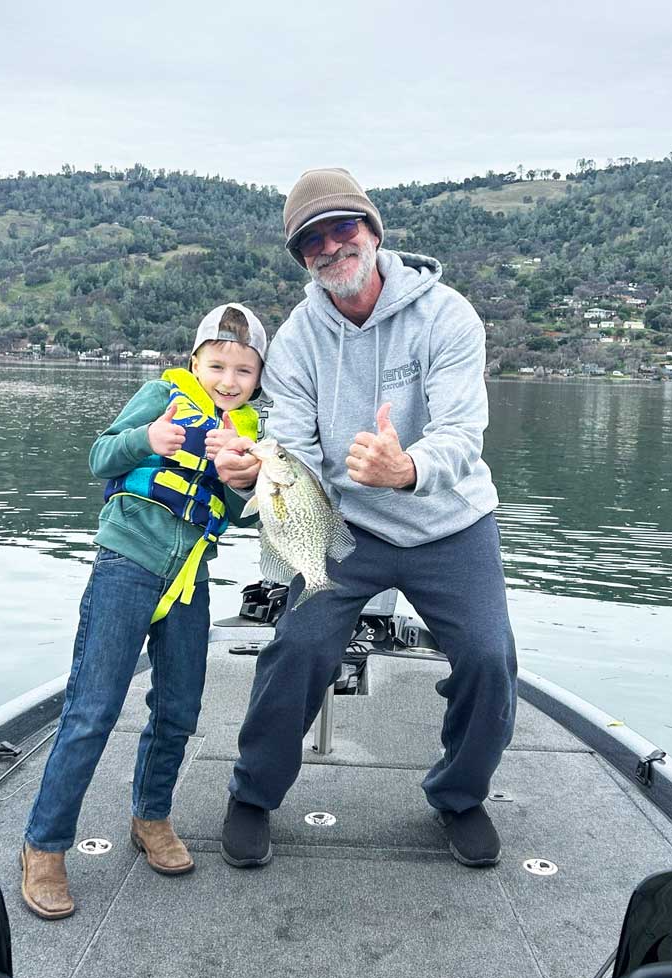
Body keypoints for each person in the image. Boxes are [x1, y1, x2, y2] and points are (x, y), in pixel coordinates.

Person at [215, 168, 518, 869]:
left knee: (489, 658)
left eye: (342, 228)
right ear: (302, 258)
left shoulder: (447, 314)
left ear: (374, 233)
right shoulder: (295, 341)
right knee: (297, 647)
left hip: (450, 522)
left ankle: (459, 795)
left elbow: (462, 429)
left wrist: (405, 467)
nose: (330, 246)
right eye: (311, 241)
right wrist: (256, 475)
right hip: (349, 524)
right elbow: (293, 449)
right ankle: (253, 792)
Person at [20, 303, 265, 919]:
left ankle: (151, 818)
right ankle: (44, 846)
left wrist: (239, 482)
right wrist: (146, 439)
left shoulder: (248, 431)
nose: (228, 381)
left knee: (179, 708)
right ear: (194, 361)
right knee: (93, 708)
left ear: (258, 378)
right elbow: (102, 457)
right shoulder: (162, 396)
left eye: (243, 370)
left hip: (188, 580)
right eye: (217, 365)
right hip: (126, 565)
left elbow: (234, 515)